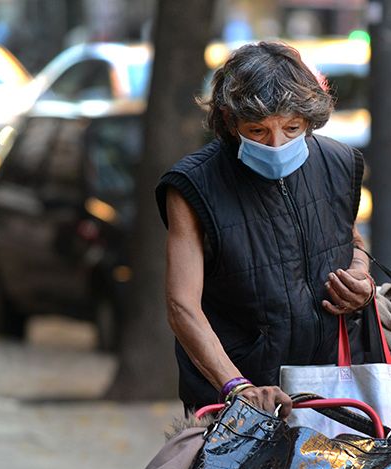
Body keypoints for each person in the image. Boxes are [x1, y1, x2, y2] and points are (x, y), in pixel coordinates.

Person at [156, 41, 374, 415]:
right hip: (237, 392)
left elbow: (349, 238)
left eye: (292, 128)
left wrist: (361, 277)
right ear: (228, 120)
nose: (277, 144)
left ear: (310, 119)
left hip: (334, 385)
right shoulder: (193, 185)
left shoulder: (339, 162)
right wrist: (236, 386)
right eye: (257, 131)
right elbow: (182, 306)